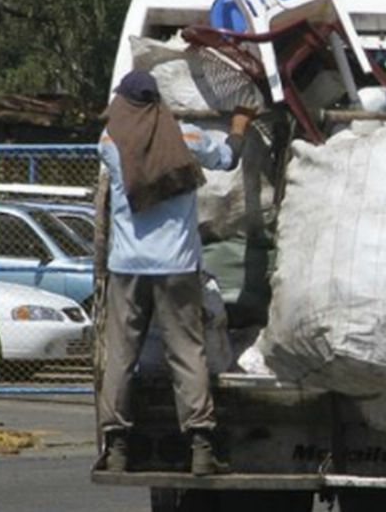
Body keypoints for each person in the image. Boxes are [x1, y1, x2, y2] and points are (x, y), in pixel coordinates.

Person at [97, 70, 254, 476]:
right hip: (179, 266)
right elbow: (227, 158)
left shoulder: (110, 143)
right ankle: (201, 446)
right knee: (186, 352)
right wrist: (238, 125)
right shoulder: (186, 137)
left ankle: (116, 446)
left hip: (127, 267)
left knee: (121, 354)